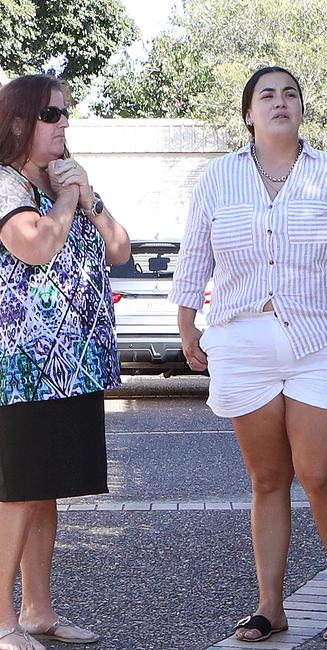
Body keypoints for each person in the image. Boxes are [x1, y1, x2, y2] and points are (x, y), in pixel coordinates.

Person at [170, 65, 327, 643]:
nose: (280, 102)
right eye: (267, 95)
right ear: (248, 113)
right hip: (243, 342)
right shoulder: (218, 178)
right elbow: (195, 256)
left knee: (320, 475)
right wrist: (188, 324)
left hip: (323, 340)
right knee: (267, 479)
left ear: (301, 109)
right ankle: (271, 605)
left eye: (291, 93)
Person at [0, 74, 130, 650]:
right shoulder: (6, 186)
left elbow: (121, 249)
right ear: (21, 121)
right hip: (23, 366)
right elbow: (35, 245)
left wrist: (91, 200)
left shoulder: (66, 184)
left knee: (45, 488)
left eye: (66, 113)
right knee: (19, 491)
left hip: (71, 363)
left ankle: (37, 611)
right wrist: (68, 199)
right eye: (53, 113)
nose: (65, 123)